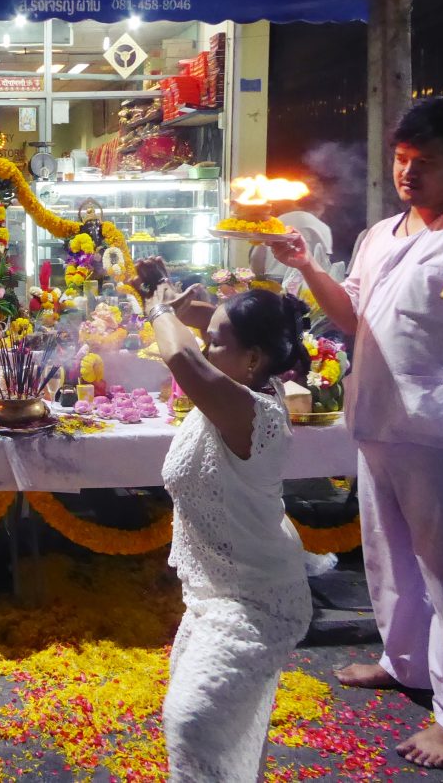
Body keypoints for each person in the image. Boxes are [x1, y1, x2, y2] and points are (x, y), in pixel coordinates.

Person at [270, 97, 443, 769]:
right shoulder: (381, 233)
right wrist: (305, 266)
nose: (408, 173)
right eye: (401, 159)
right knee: (389, 558)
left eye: (425, 162)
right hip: (377, 417)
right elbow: (353, 317)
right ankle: (406, 661)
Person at [139, 265, 312, 782]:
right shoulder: (234, 385)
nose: (203, 345)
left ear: (254, 359)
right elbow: (200, 334)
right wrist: (182, 298)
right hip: (214, 592)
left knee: (195, 724)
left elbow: (180, 355)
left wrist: (156, 305)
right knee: (218, 730)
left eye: (214, 342)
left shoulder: (252, 412)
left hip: (258, 600)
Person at [250, 188, 333, 282]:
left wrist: (256, 280)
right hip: (306, 283)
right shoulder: (323, 228)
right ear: (319, 208)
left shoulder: (278, 221)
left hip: (273, 280)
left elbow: (256, 257)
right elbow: (325, 263)